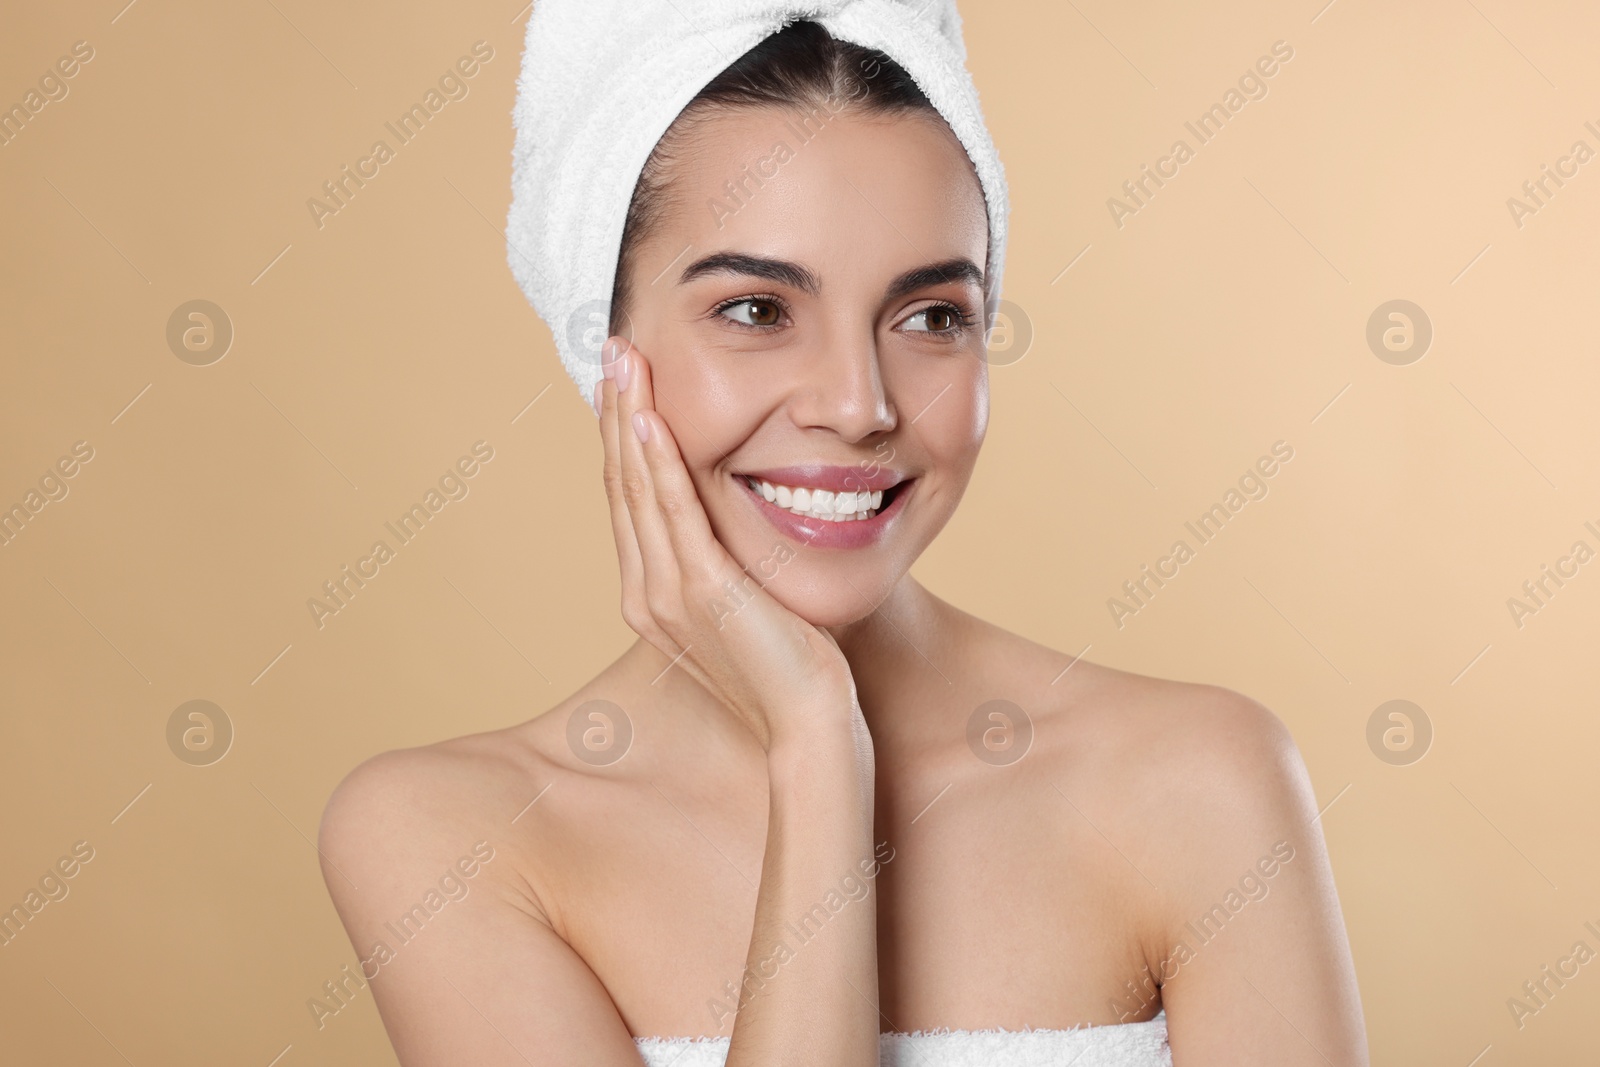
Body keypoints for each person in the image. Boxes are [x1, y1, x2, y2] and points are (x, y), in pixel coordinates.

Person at [318, 10, 1368, 1066]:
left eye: (929, 317)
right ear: (607, 345)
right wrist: (817, 748)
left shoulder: (1198, 785)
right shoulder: (454, 839)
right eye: (756, 310)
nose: (858, 404)